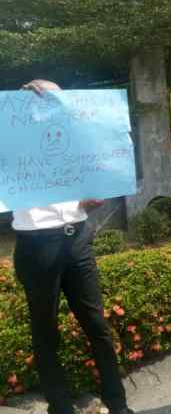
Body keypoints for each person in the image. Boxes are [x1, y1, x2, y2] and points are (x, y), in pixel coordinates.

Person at [12, 80, 133, 414]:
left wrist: (91, 202)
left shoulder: (78, 137)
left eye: (59, 98)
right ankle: (60, 406)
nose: (54, 103)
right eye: (47, 96)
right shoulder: (14, 139)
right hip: (36, 246)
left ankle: (117, 403)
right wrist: (21, 99)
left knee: (97, 325)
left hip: (77, 238)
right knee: (45, 332)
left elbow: (93, 184)